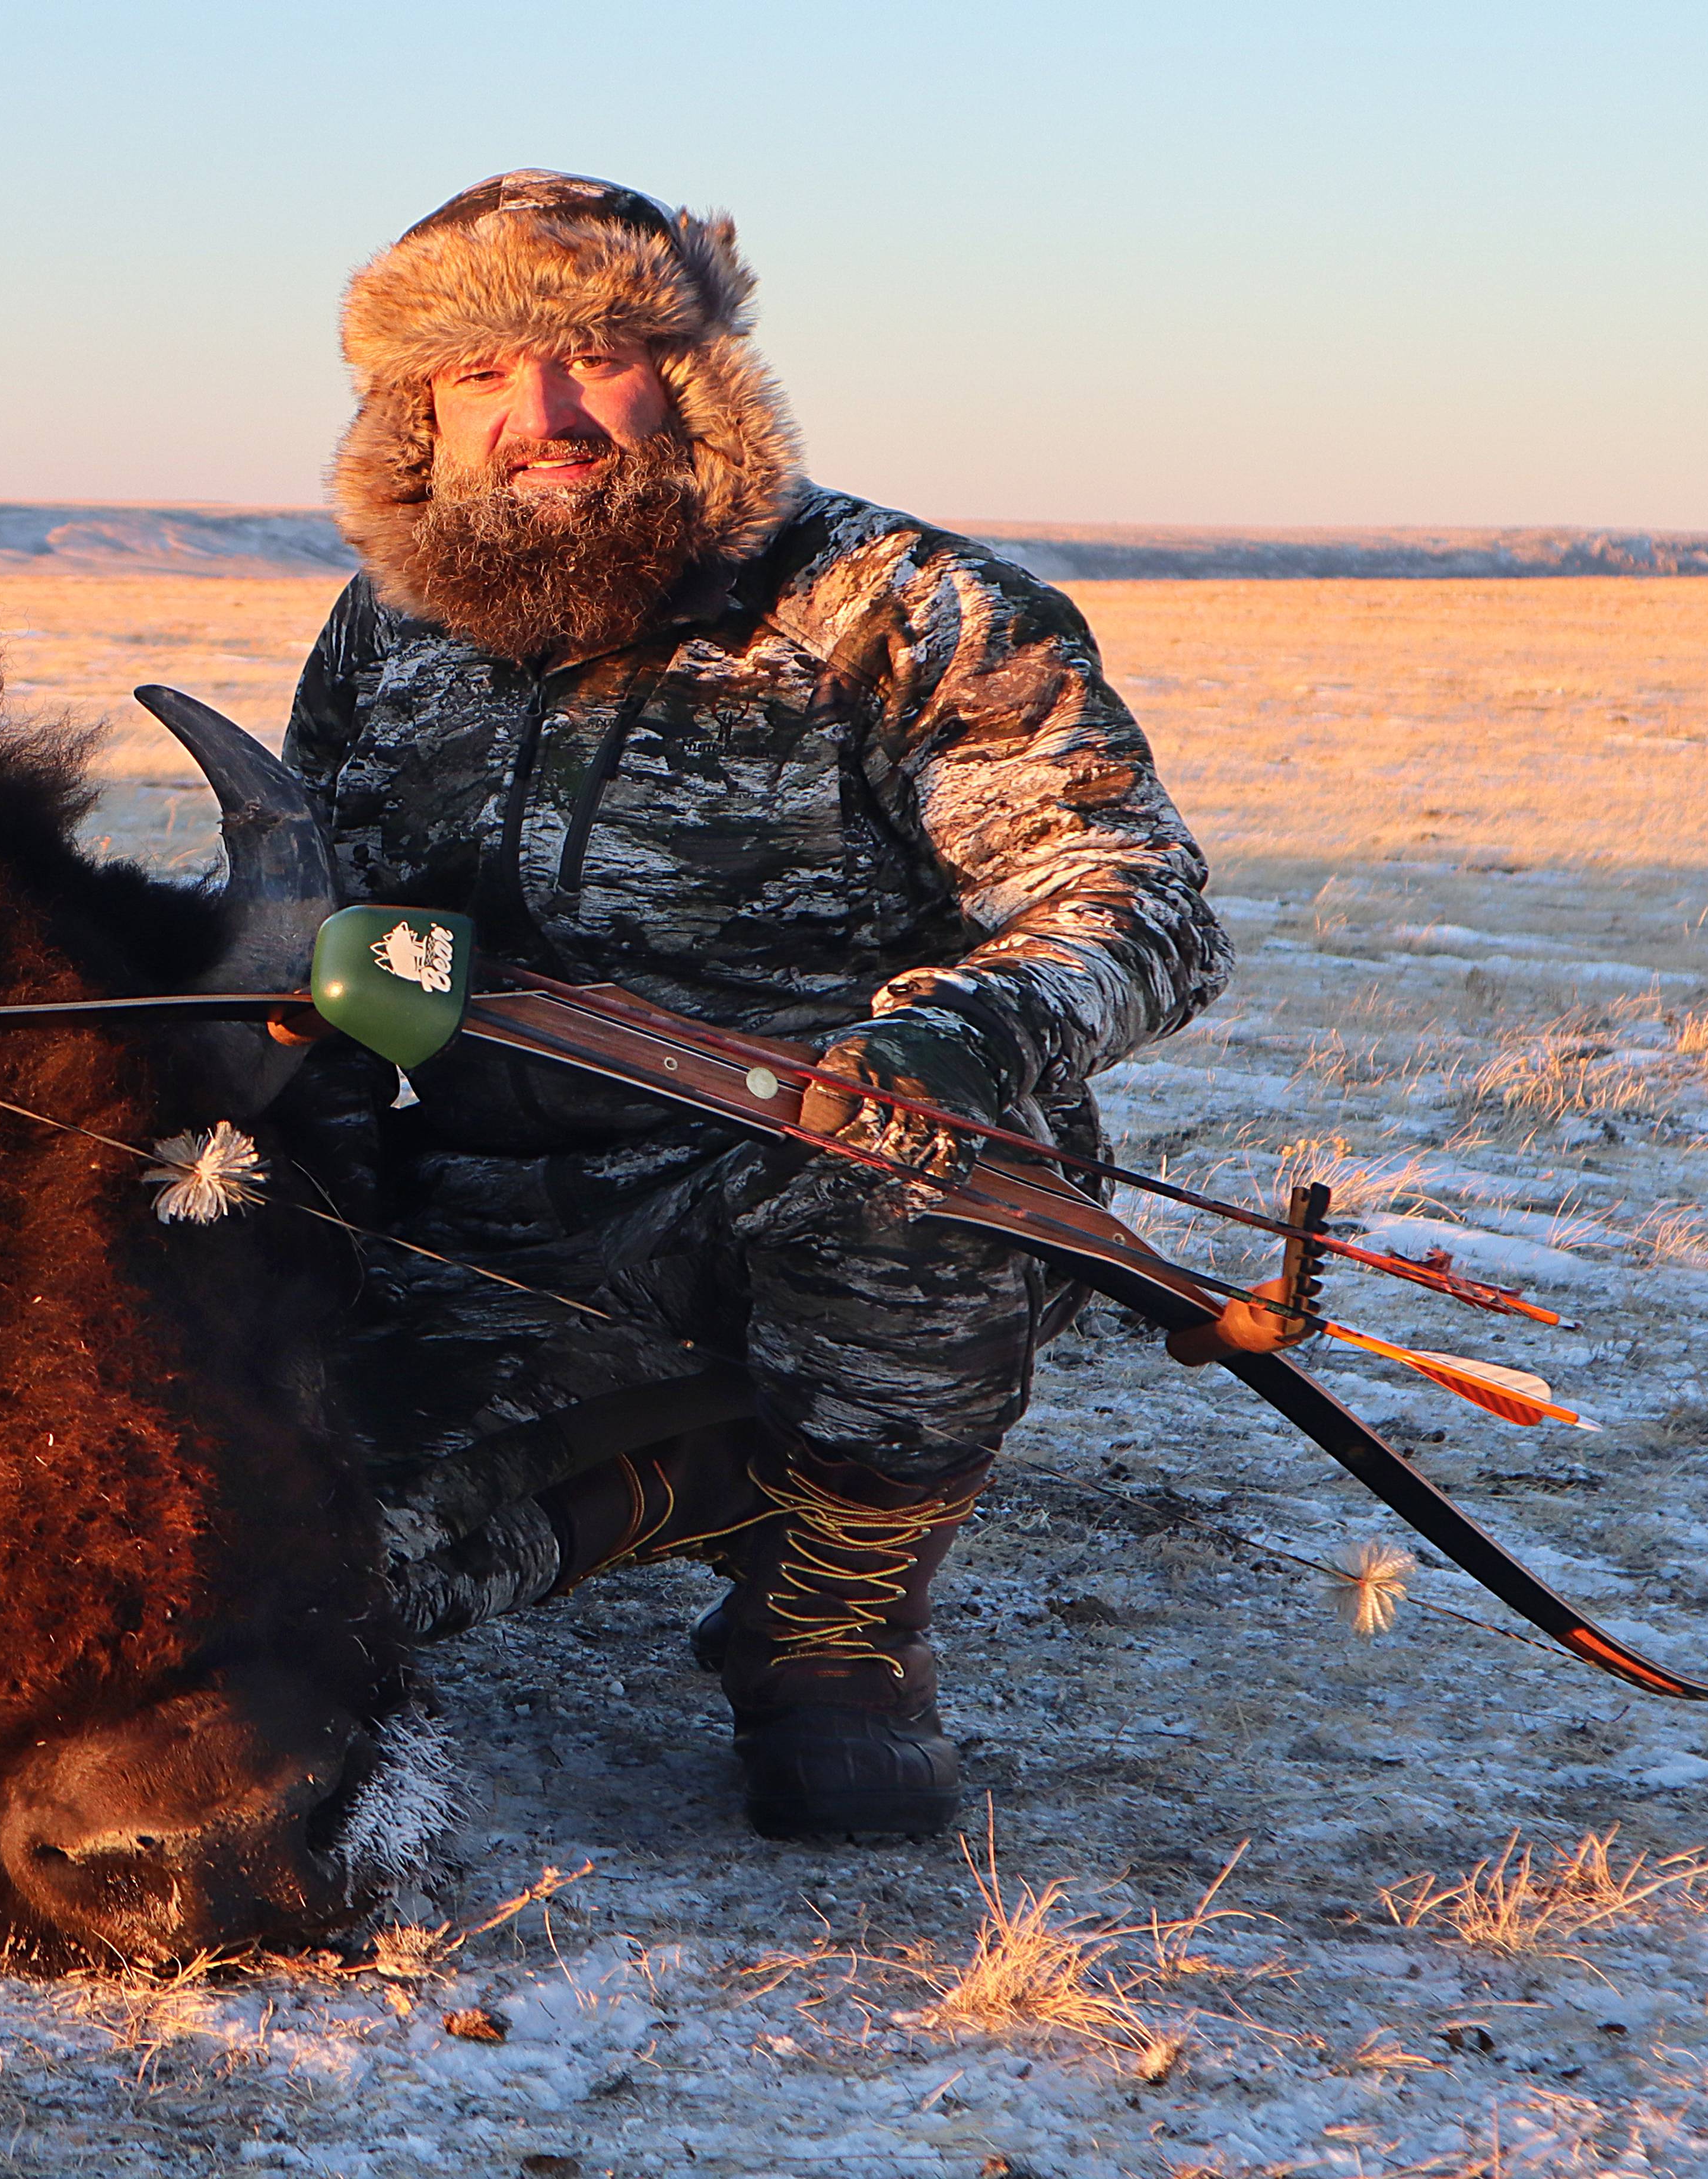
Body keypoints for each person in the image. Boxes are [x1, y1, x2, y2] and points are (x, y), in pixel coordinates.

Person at [283, 171, 1231, 1839]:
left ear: (698, 377)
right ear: (413, 415)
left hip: (811, 1185)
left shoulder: (903, 606)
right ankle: (726, 1465)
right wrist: (326, 1011)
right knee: (294, 1572)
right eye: (480, 379)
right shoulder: (387, 631)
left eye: (598, 355)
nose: (546, 417)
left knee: (907, 1191)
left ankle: (837, 1619)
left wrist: (954, 1039)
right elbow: (323, 909)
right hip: (490, 1215)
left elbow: (1131, 902)